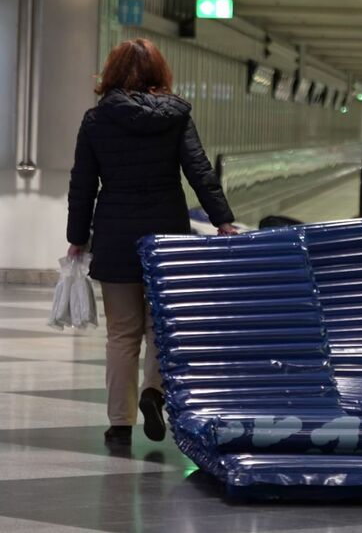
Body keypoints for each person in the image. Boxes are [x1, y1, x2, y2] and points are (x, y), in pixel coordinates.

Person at [66, 39, 236, 446]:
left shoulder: (96, 120)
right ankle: (153, 392)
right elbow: (199, 171)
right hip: (166, 235)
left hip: (115, 233)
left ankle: (120, 422)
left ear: (111, 72)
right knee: (161, 327)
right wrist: (223, 220)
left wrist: (77, 237)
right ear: (160, 72)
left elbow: (83, 184)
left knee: (122, 333)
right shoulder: (176, 117)